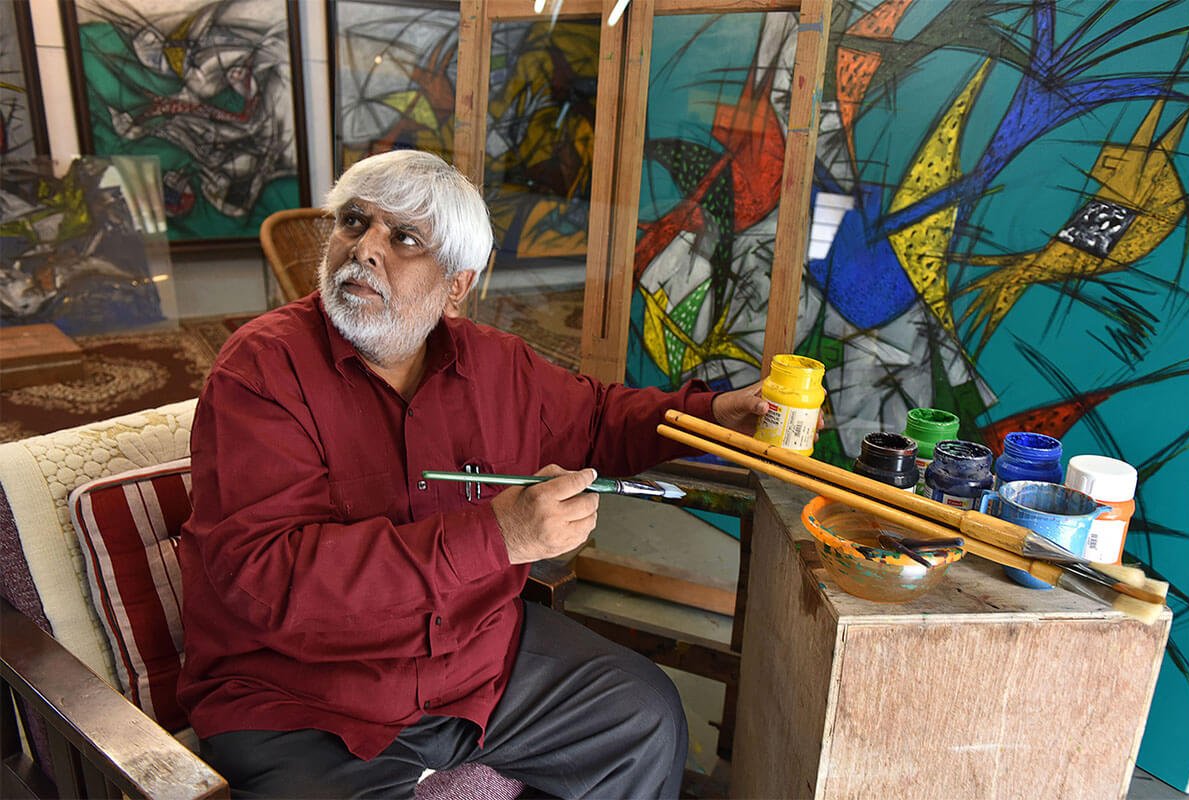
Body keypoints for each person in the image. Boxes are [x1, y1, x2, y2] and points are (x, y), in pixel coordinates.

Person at [177, 149, 768, 799]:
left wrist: (713, 416)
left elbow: (601, 417)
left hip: (472, 660)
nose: (365, 248)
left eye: (404, 238)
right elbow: (263, 578)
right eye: (353, 222)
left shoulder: (496, 365)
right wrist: (497, 536)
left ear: (456, 286)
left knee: (642, 717)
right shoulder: (260, 371)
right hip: (303, 696)